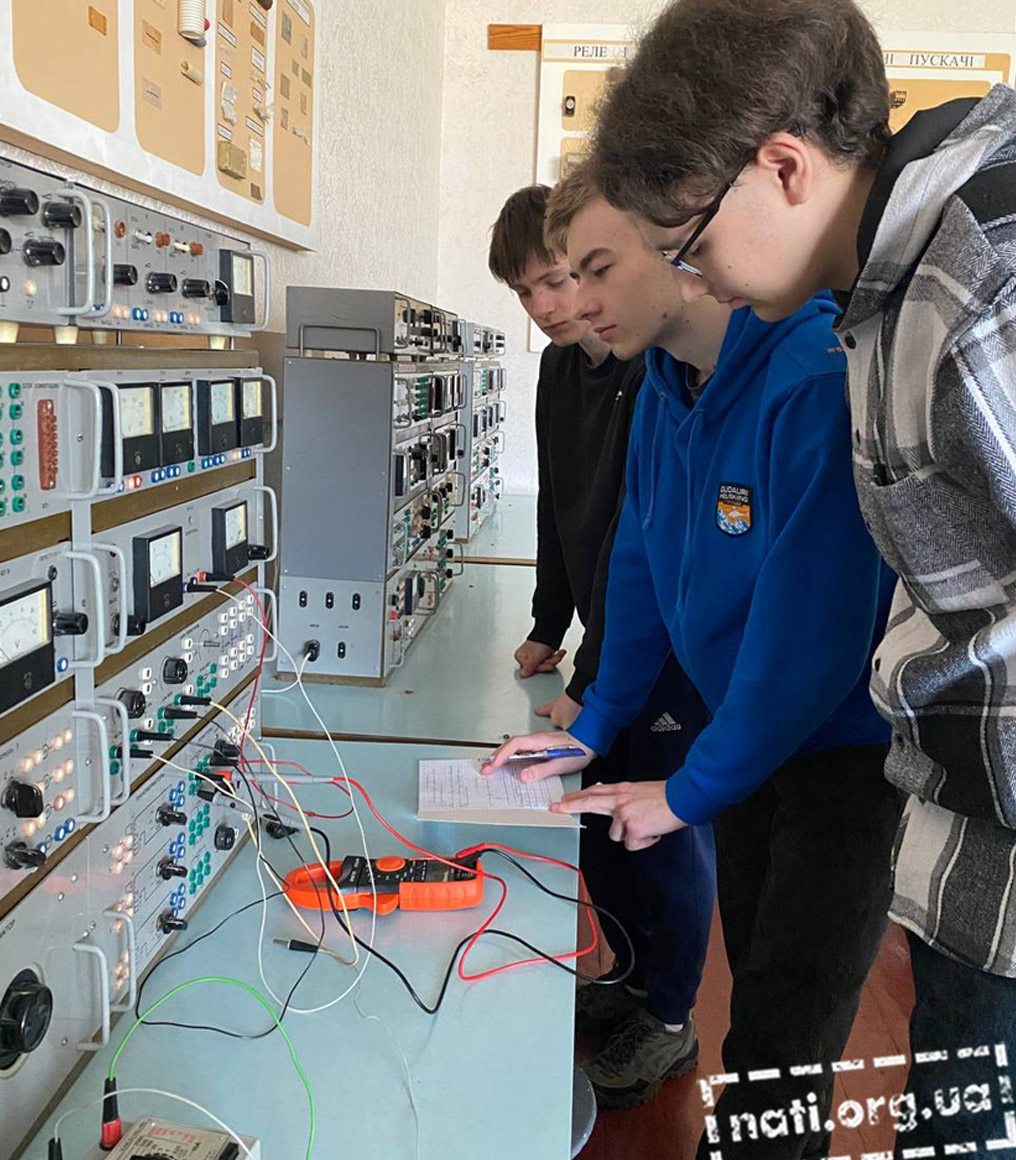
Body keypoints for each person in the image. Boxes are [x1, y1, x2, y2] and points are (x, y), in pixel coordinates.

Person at [589, 0, 1016, 1151]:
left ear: (781, 167)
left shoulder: (974, 283)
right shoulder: (876, 302)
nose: (694, 275)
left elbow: (815, 619)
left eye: (688, 243)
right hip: (964, 828)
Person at [487, 160, 901, 1154]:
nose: (575, 301)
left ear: (678, 248)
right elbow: (639, 562)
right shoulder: (667, 386)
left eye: (595, 269)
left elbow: (812, 640)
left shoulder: (810, 375)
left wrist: (688, 789)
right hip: (747, 734)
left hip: (841, 755)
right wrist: (592, 724)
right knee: (752, 975)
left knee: (783, 1031)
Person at [487, 183, 714, 1108]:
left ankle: (671, 1019)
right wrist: (550, 624)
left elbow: (638, 540)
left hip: (661, 653)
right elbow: (560, 501)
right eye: (530, 291)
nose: (552, 306)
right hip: (602, 652)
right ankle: (626, 977)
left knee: (660, 833)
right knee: (597, 823)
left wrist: (590, 679)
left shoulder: (647, 367)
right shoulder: (560, 371)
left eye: (563, 279)